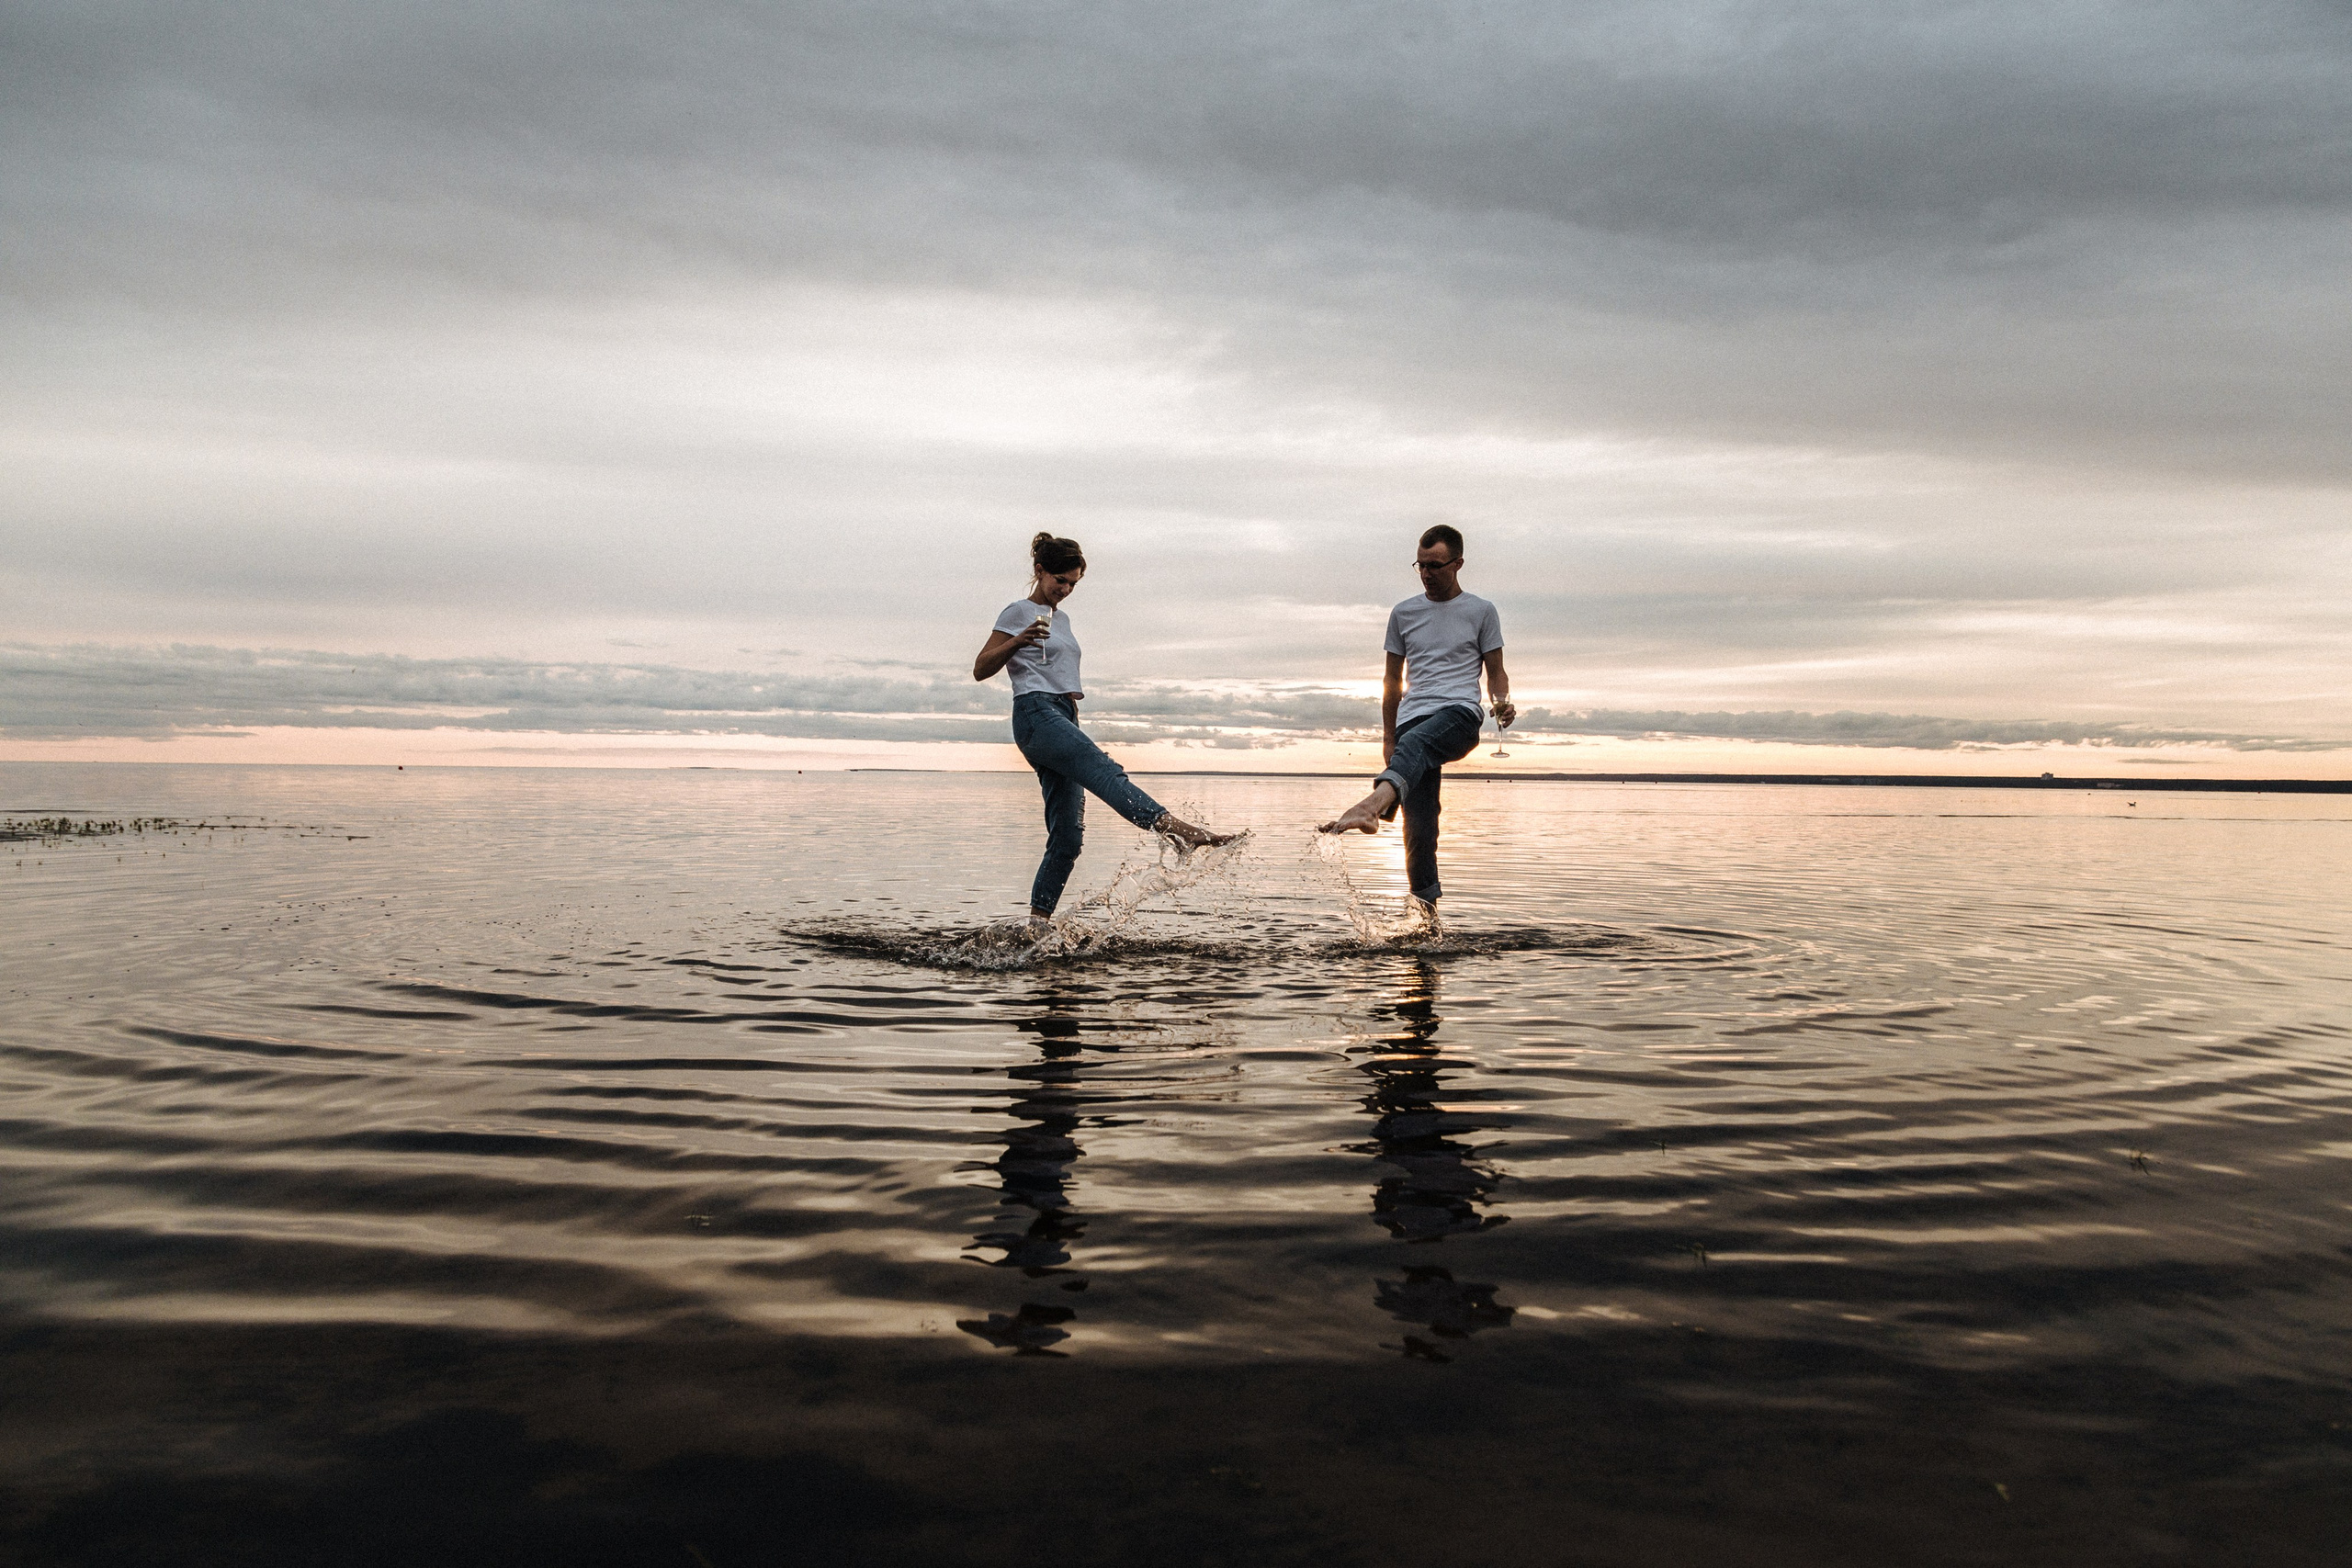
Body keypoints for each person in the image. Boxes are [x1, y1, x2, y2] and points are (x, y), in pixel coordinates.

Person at [975, 532, 1238, 922]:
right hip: (1034, 712)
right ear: (1039, 570)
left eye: (1072, 584)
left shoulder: (1062, 619)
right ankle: (1178, 831)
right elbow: (981, 669)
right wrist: (1020, 639)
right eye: (1059, 580)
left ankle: (1035, 927)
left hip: (1061, 714)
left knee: (1068, 839)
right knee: (1104, 770)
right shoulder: (1017, 612)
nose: (1064, 589)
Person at [1318, 525, 1513, 912]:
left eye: (1435, 566)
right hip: (1410, 721)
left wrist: (1503, 702)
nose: (1426, 574)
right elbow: (1391, 681)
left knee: (1418, 745)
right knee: (1420, 828)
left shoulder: (1481, 611)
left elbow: (1496, 670)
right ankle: (1429, 922)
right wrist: (1388, 737)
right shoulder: (1403, 613)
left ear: (1457, 564)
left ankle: (1371, 806)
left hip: (1459, 714)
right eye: (1420, 566)